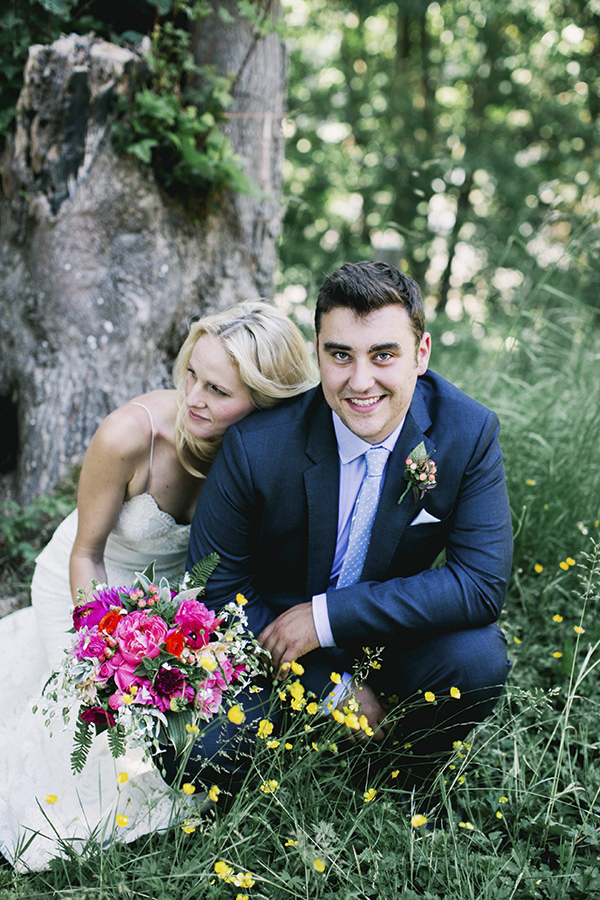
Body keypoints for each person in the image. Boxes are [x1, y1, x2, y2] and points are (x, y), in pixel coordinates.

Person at [0, 300, 318, 872]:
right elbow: (85, 554)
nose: (194, 398)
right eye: (192, 375)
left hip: (181, 600)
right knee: (96, 728)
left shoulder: (269, 456)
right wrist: (103, 649)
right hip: (88, 589)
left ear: (267, 402)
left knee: (179, 722)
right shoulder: (131, 436)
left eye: (218, 391)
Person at [184, 261, 513, 797]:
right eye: (341, 355)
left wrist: (327, 616)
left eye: (384, 355)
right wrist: (331, 688)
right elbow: (217, 593)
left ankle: (392, 780)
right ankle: (287, 770)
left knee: (477, 658)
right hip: (273, 646)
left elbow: (480, 584)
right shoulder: (258, 444)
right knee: (204, 751)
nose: (361, 382)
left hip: (384, 639)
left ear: (421, 353)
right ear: (318, 350)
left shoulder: (467, 432)